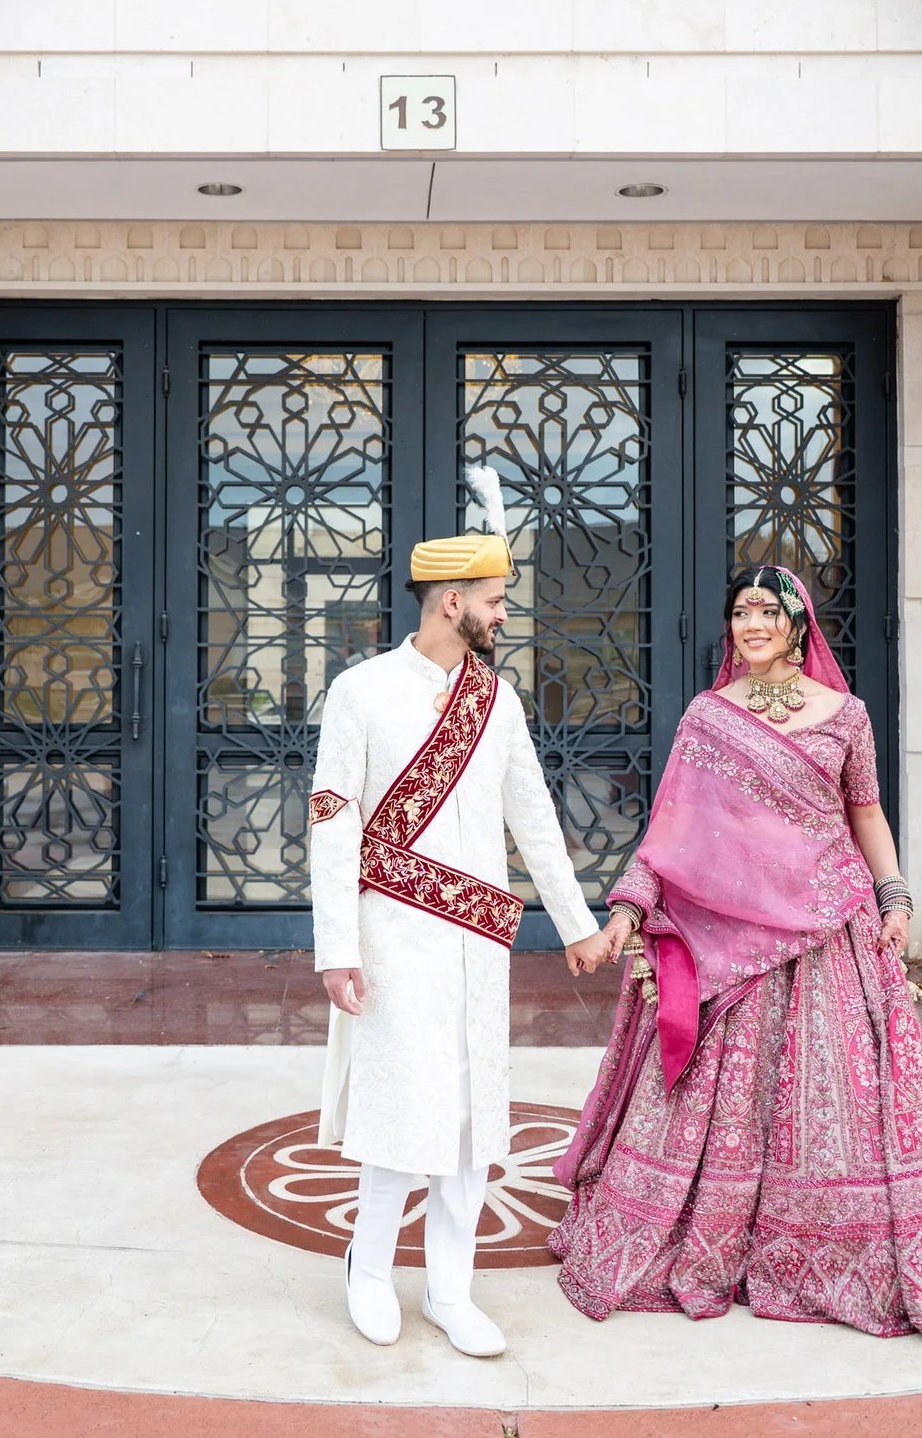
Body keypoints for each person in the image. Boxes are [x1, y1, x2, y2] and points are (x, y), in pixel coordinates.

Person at [548, 563, 922, 1345]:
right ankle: (717, 1240)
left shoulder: (845, 715)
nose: (750, 624)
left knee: (838, 1099)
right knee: (733, 1104)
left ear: (799, 626)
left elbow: (866, 814)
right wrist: (627, 911)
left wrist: (896, 895)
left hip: (827, 932)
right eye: (739, 610)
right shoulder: (708, 717)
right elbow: (670, 833)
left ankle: (829, 1250)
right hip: (730, 944)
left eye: (767, 612)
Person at [309, 467, 616, 1359]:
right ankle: (370, 1267)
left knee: (472, 1120)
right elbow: (333, 827)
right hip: (390, 937)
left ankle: (451, 1288)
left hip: (479, 942)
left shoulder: (500, 699)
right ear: (451, 602)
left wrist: (578, 924)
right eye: (494, 599)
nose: (504, 613)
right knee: (401, 1112)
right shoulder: (360, 691)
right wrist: (336, 947)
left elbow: (536, 819)